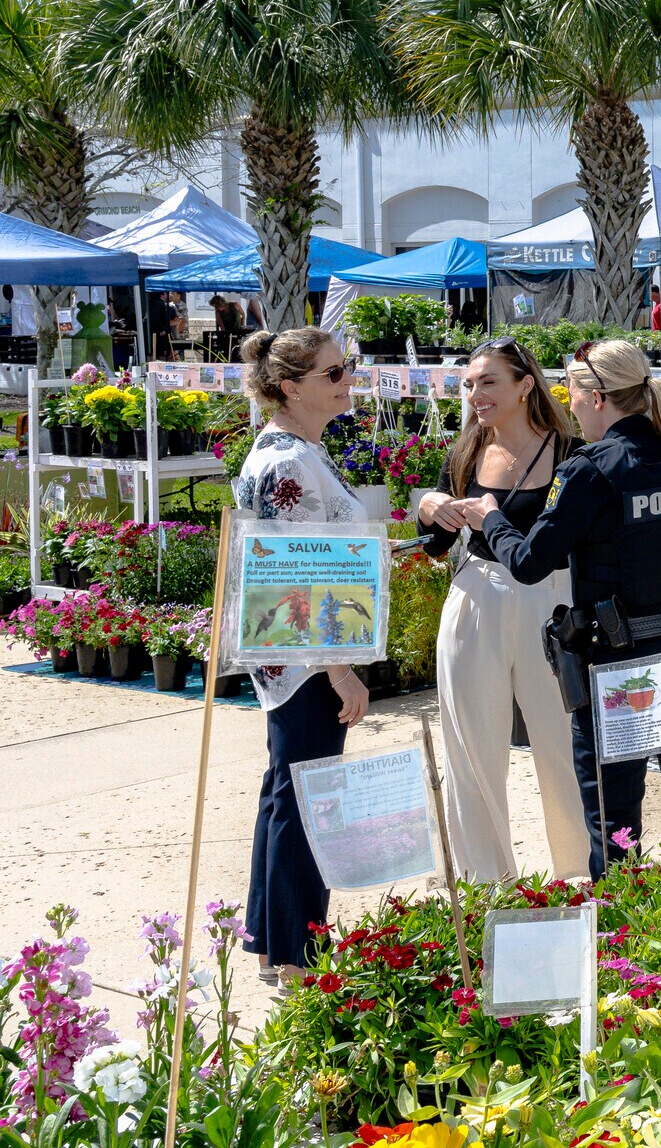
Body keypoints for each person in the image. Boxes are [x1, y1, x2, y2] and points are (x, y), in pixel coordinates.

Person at [442, 339, 661, 877]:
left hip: (623, 667)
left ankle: (624, 945)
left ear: (597, 397)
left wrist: (490, 517)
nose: (567, 403)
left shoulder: (590, 471)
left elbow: (530, 563)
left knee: (613, 821)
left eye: (570, 391)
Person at [415, 338, 588, 881]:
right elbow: (436, 543)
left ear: (525, 386)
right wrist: (429, 505)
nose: (476, 394)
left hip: (554, 603)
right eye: (469, 384)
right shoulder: (465, 451)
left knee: (565, 743)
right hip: (476, 597)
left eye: (488, 382)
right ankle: (486, 886)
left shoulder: (570, 450)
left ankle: (584, 877)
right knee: (469, 749)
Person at [231, 328, 371, 980]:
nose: (347, 379)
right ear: (291, 385)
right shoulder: (288, 459)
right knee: (311, 798)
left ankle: (274, 940)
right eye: (333, 371)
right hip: (304, 657)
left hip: (291, 653)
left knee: (290, 792)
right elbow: (296, 572)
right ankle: (295, 952)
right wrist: (339, 670)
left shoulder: (294, 450)